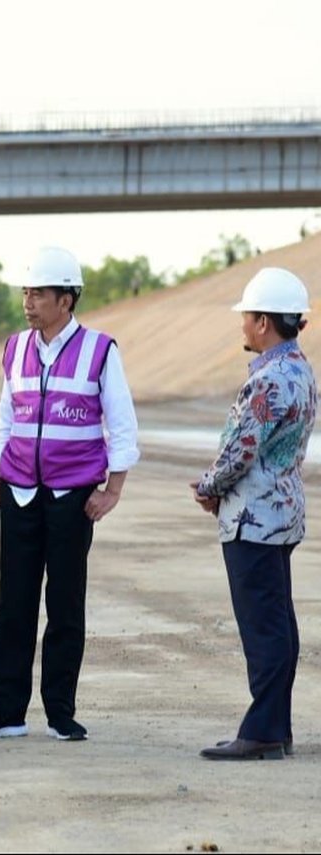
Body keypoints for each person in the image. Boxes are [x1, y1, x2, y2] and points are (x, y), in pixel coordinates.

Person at [0, 245, 139, 741]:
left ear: (67, 299)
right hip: (18, 493)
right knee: (13, 602)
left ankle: (60, 710)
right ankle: (7, 711)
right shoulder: (15, 348)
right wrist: (0, 473)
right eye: (25, 292)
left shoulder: (101, 350)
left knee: (64, 603)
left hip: (72, 496)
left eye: (38, 293)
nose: (28, 301)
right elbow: (8, 418)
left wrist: (113, 489)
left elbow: (122, 423)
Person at [191, 267, 317, 761]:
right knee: (278, 623)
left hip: (253, 519)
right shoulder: (302, 372)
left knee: (263, 626)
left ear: (264, 322)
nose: (242, 325)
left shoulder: (268, 380)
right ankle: (275, 727)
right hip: (282, 514)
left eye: (247, 317)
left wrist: (208, 487)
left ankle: (263, 729)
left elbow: (242, 448)